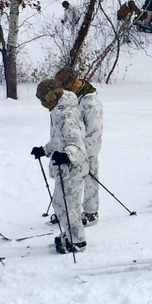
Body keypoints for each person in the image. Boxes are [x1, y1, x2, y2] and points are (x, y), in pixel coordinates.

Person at [32, 79, 89, 252]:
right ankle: (70, 233)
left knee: (68, 206)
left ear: (51, 97)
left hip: (73, 168)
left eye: (43, 100)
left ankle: (77, 241)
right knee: (60, 204)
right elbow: (59, 139)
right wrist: (45, 150)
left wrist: (66, 155)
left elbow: (76, 143)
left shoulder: (66, 114)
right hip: (66, 169)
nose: (42, 104)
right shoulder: (58, 111)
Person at [56, 68, 103, 225]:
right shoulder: (74, 97)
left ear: (76, 81)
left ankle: (91, 212)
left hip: (87, 150)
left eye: (68, 86)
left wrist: (80, 152)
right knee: (70, 182)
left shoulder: (91, 103)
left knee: (90, 179)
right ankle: (66, 211)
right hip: (73, 148)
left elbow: (94, 134)